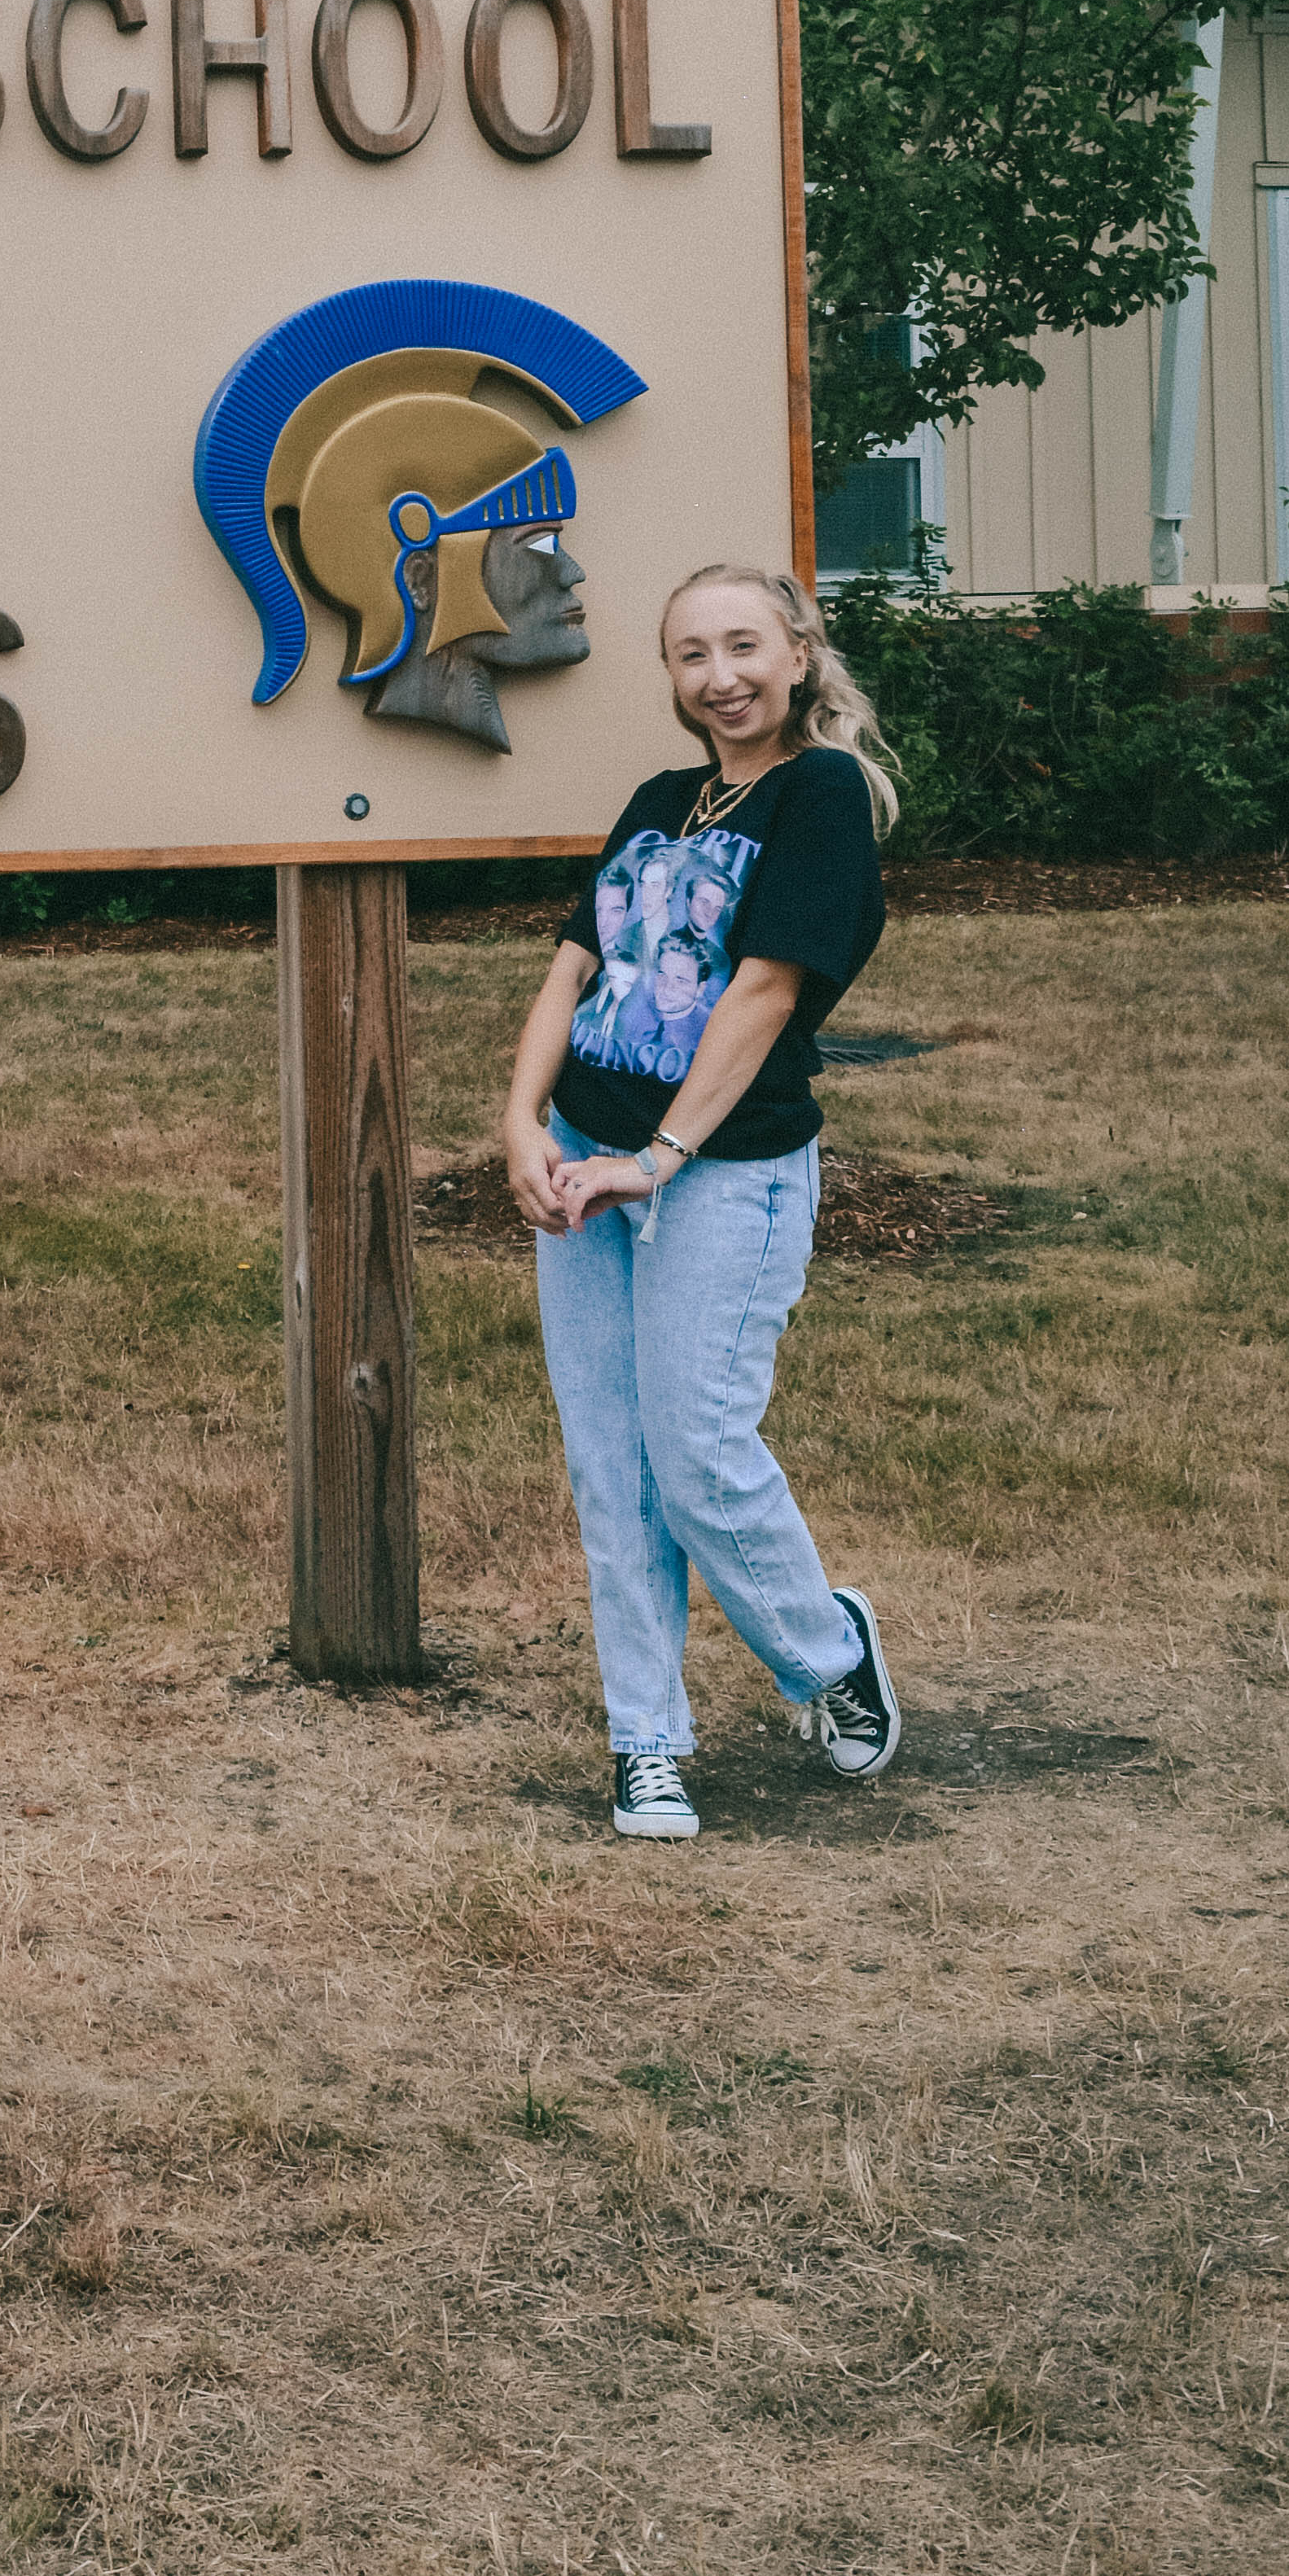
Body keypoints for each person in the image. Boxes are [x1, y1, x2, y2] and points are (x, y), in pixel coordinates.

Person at [498, 562, 905, 1843]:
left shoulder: (820, 796)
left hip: (724, 1172)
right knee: (612, 1469)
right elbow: (572, 970)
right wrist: (522, 1122)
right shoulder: (658, 801)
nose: (719, 677)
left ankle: (825, 1652)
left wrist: (660, 1157)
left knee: (698, 1459)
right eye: (692, 654)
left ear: (797, 653)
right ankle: (647, 1743)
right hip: (587, 1158)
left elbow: (766, 990)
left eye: (742, 647)